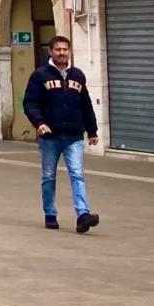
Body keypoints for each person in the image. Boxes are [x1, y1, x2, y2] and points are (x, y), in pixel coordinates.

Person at [23, 34, 100, 233]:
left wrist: (92, 130)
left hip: (74, 136)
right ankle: (50, 214)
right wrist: (39, 123)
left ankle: (83, 215)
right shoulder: (40, 75)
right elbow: (30, 103)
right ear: (51, 52)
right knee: (49, 176)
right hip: (50, 137)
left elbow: (85, 104)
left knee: (77, 174)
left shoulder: (78, 75)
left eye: (65, 49)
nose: (62, 53)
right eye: (58, 49)